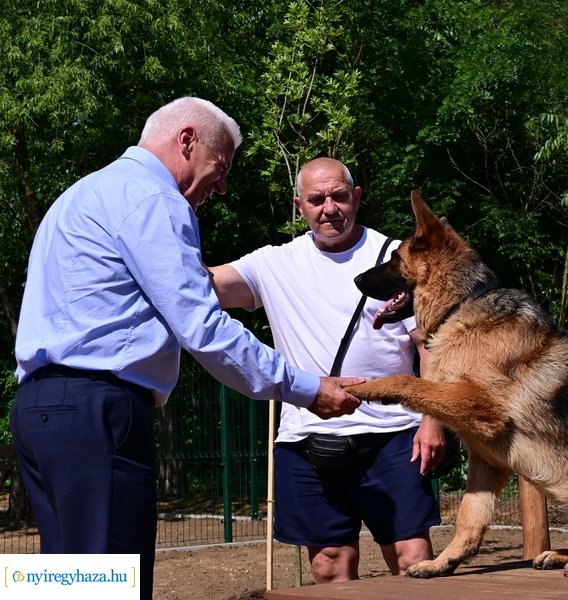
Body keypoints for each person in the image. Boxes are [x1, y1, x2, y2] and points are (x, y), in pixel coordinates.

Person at [11, 98, 363, 600]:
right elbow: (201, 325)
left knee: (62, 583)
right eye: (221, 169)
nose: (221, 187)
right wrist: (304, 388)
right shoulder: (153, 199)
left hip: (39, 411)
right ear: (186, 141)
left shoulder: (81, 194)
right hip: (97, 411)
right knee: (110, 585)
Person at [207, 157, 446, 583]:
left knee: (412, 557)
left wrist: (432, 420)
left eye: (338, 196)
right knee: (328, 564)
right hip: (307, 439)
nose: (329, 207)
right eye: (316, 199)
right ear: (299, 205)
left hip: (394, 434)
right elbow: (201, 287)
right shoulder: (273, 264)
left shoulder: (396, 256)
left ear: (356, 197)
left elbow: (427, 344)